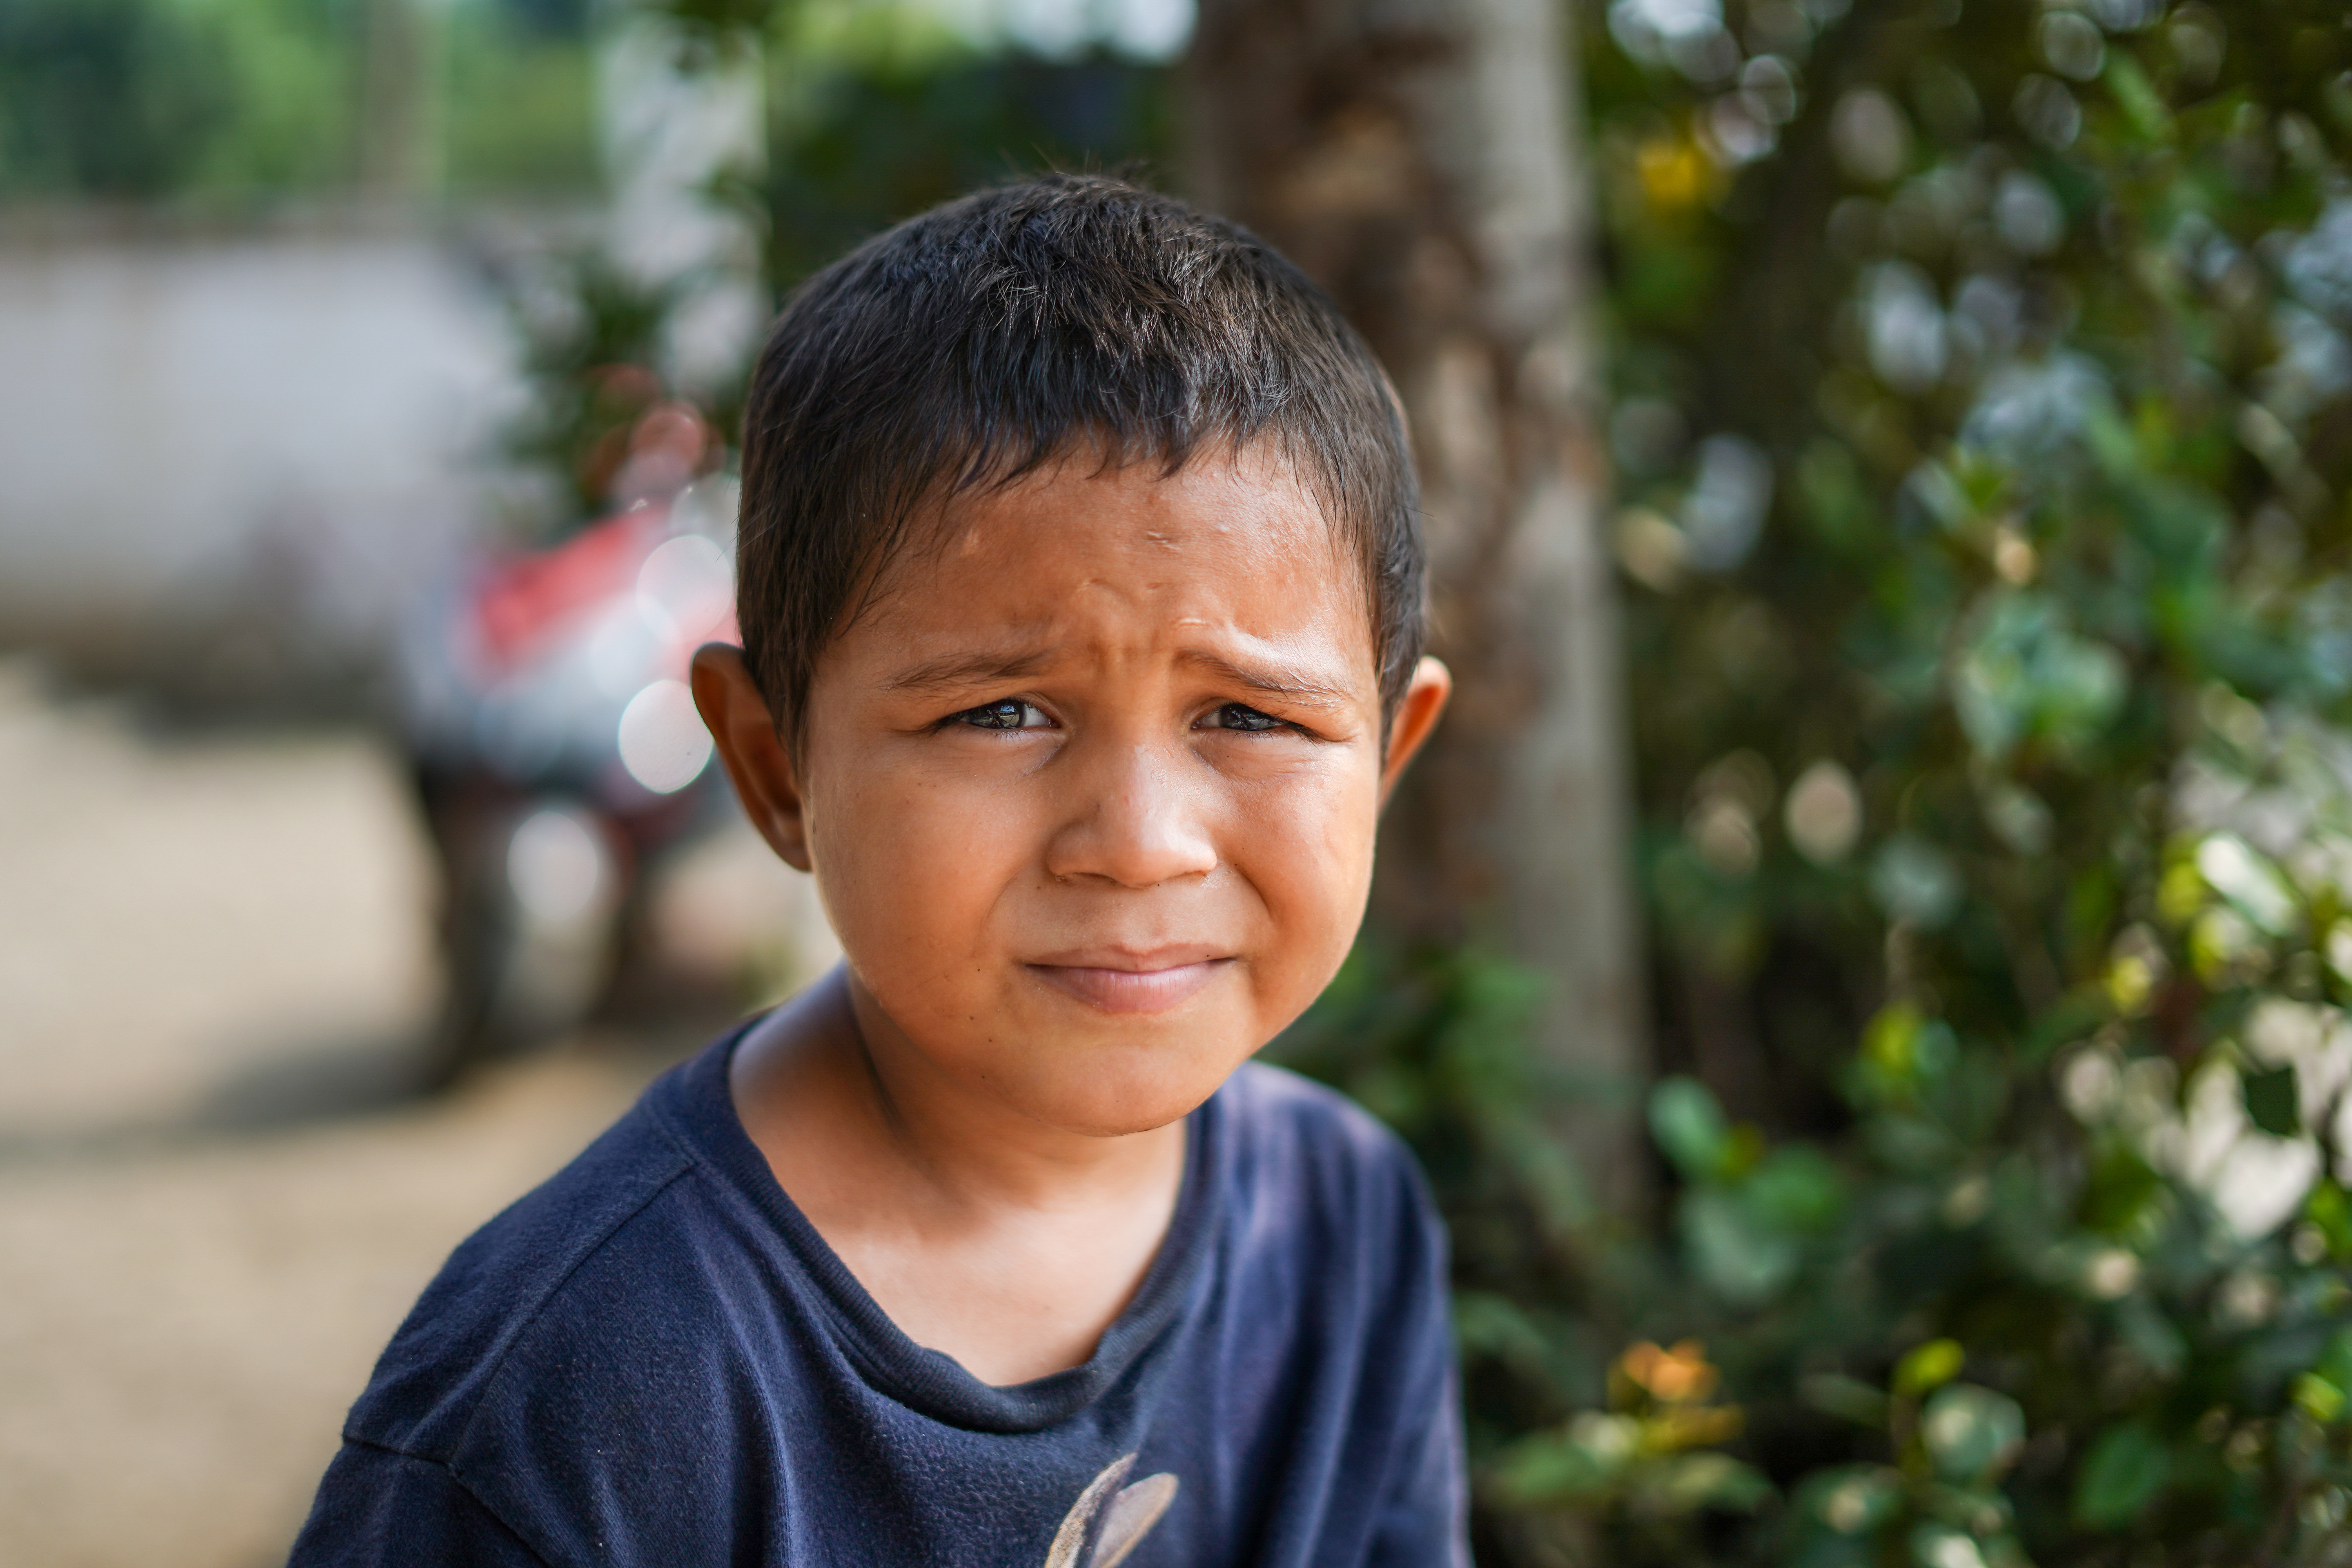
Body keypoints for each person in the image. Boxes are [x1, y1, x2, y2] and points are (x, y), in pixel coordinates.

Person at [289, 173, 1462, 1567]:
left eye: (1253, 718)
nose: (1144, 842)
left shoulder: (1350, 1226)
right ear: (778, 770)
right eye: (1002, 712)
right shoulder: (571, 1393)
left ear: (1386, 760)